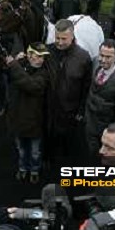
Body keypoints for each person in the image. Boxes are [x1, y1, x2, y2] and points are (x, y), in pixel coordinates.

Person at [45, 20, 93, 167]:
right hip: (48, 107)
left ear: (72, 36)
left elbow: (86, 87)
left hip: (70, 110)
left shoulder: (84, 57)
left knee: (66, 140)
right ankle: (47, 158)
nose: (59, 42)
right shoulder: (47, 51)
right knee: (48, 136)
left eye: (63, 39)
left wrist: (80, 110)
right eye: (57, 38)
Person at [4, 43, 50, 184]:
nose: (41, 60)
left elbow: (30, 85)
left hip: (34, 121)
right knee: (22, 151)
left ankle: (34, 170)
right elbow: (6, 72)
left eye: (43, 56)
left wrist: (14, 64)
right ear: (29, 55)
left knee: (35, 152)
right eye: (38, 56)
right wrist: (15, 63)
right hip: (18, 119)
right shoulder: (20, 65)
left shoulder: (43, 74)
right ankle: (23, 168)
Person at [84, 40, 115, 156]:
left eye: (108, 57)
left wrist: (113, 135)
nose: (103, 60)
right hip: (88, 122)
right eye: (101, 55)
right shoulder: (96, 62)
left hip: (103, 130)